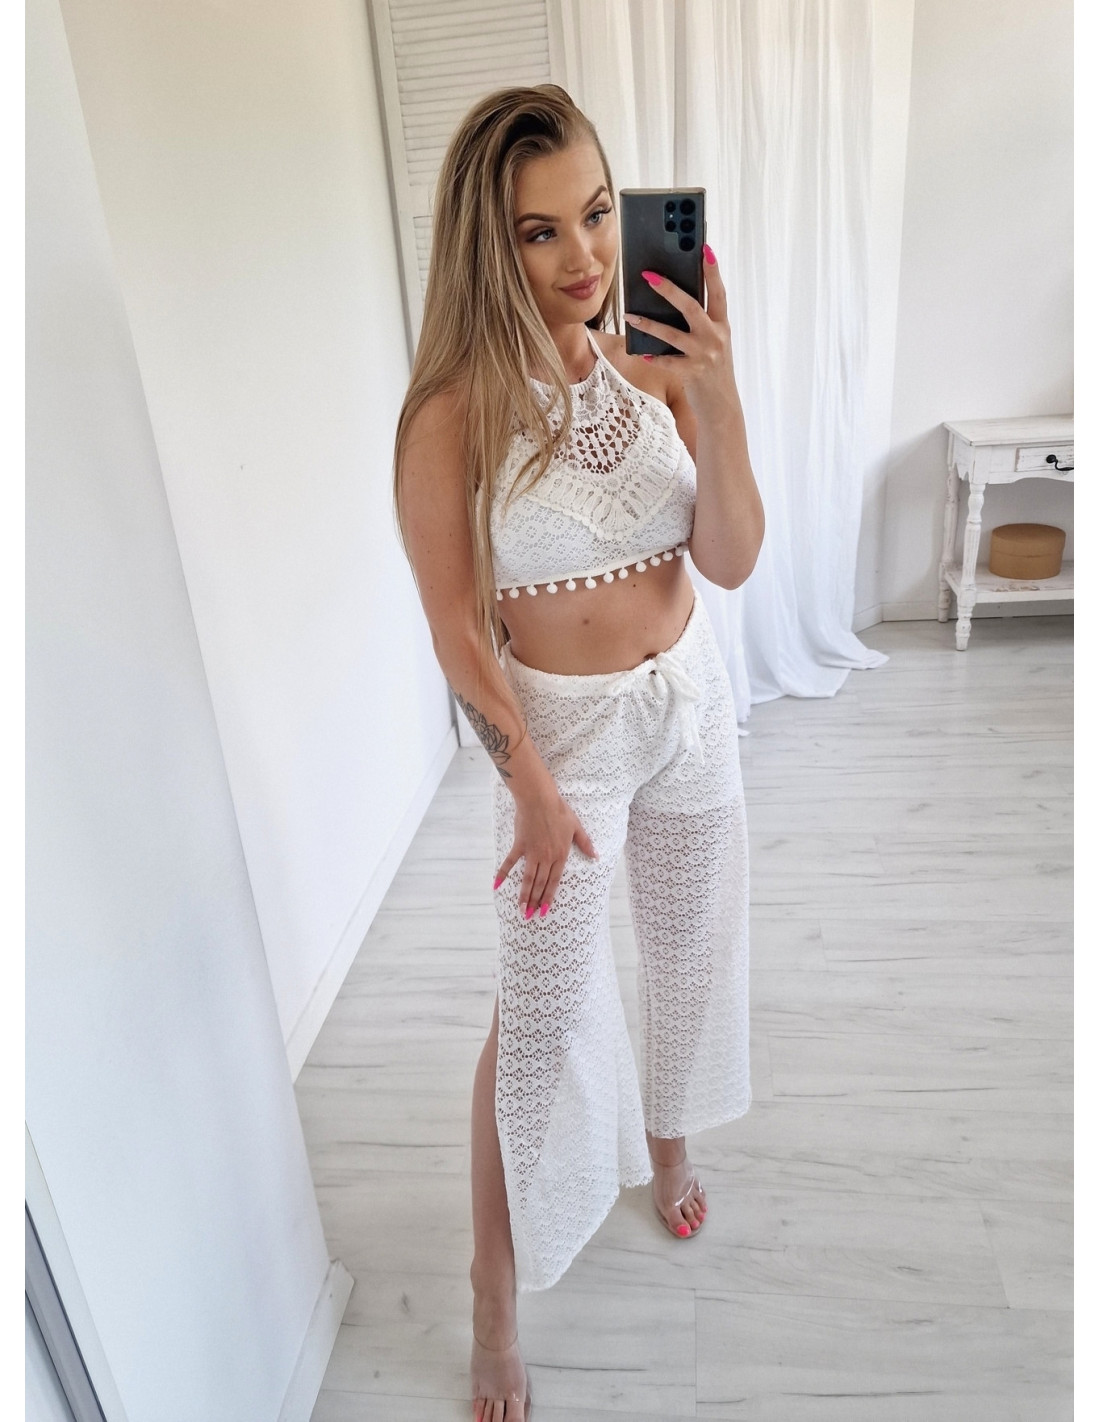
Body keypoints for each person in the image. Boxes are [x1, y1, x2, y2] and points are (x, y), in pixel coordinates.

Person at [393, 83, 764, 1422]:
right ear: (486, 244)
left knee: (688, 944)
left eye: (598, 214)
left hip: (688, 703)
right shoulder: (450, 413)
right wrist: (532, 790)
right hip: (561, 743)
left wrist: (718, 394)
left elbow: (730, 558)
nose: (586, 256)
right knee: (540, 1016)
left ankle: (668, 1135)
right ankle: (493, 1295)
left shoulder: (658, 363)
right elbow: (456, 629)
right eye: (539, 231)